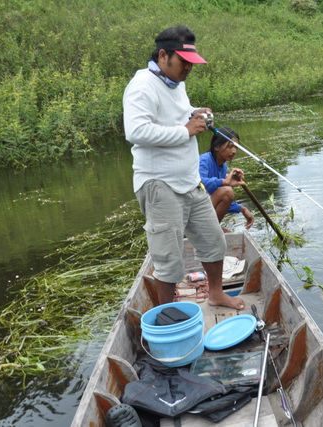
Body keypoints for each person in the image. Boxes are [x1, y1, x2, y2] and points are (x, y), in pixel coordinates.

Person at [123, 25, 244, 310]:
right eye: (183, 62)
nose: (188, 68)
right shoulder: (142, 85)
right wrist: (186, 129)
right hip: (159, 183)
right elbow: (136, 131)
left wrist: (195, 114)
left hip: (189, 181)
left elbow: (179, 115)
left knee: (214, 241)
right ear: (163, 55)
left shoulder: (176, 83)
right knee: (169, 257)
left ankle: (216, 293)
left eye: (192, 63)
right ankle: (169, 313)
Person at [199, 127, 255, 231]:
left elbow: (218, 197)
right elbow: (199, 185)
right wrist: (224, 182)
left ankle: (211, 229)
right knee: (227, 191)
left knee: (230, 235)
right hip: (194, 211)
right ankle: (208, 229)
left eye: (236, 147)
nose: (234, 151)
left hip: (204, 209)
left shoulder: (223, 166)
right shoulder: (204, 160)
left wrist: (242, 209)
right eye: (230, 147)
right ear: (217, 147)